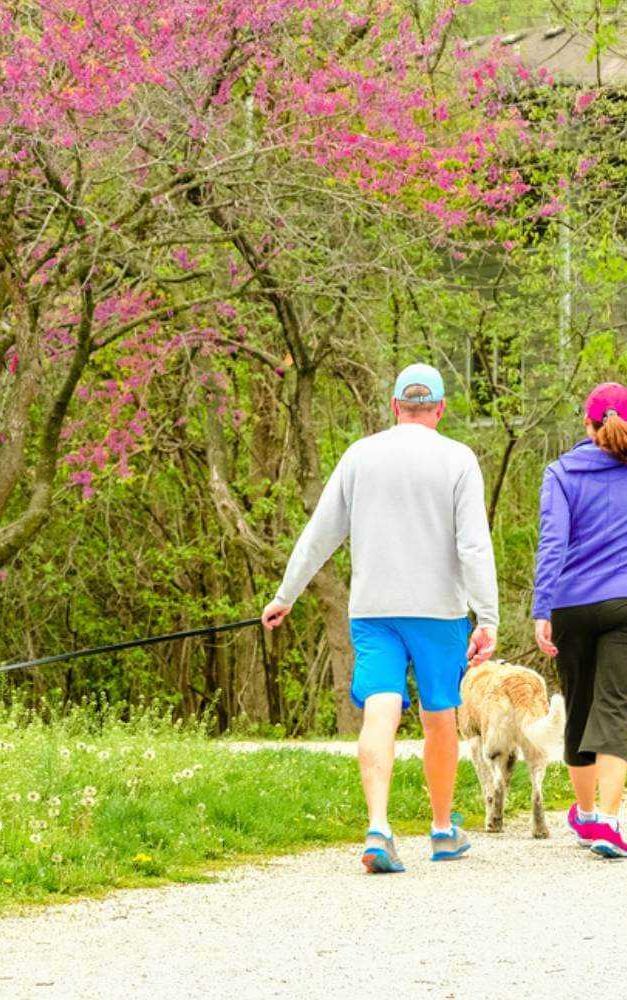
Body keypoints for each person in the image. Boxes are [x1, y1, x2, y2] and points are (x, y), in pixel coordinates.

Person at [260, 362, 499, 874]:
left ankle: (378, 827)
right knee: (440, 717)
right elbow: (474, 545)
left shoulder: (360, 455)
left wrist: (286, 595)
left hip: (374, 611)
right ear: (439, 409)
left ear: (394, 406)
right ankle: (440, 830)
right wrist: (488, 617)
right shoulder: (458, 459)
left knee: (379, 709)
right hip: (440, 613)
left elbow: (320, 534)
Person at [531, 382, 627, 860]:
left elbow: (553, 544)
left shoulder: (560, 473)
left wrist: (542, 608)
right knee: (617, 706)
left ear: (586, 423)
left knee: (581, 704)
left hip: (572, 602)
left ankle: (585, 817)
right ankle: (608, 821)